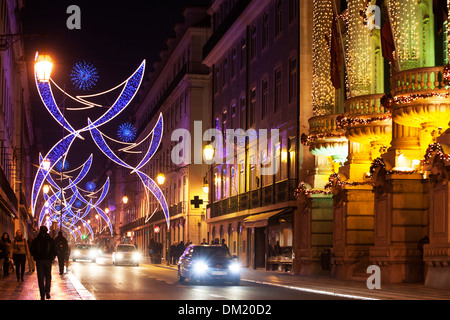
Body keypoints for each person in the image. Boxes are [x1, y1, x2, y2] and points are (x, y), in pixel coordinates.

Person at [30, 226, 57, 300]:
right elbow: (55, 250)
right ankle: (47, 291)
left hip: (39, 261)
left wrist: (36, 256)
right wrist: (52, 257)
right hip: (48, 260)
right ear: (47, 231)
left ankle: (42, 294)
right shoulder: (51, 240)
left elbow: (31, 249)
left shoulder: (36, 240)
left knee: (40, 278)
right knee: (48, 276)